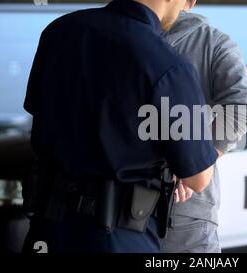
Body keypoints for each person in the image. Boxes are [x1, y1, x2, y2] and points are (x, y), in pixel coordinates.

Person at [21, 0, 218, 253]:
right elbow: (199, 178)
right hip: (117, 239)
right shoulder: (169, 66)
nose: (188, 8)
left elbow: (39, 110)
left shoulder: (59, 32)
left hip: (45, 231)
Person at [160, 0, 247, 253]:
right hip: (184, 211)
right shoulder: (216, 43)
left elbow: (242, 104)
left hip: (142, 208)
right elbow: (242, 105)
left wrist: (196, 162)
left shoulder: (118, 40)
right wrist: (196, 162)